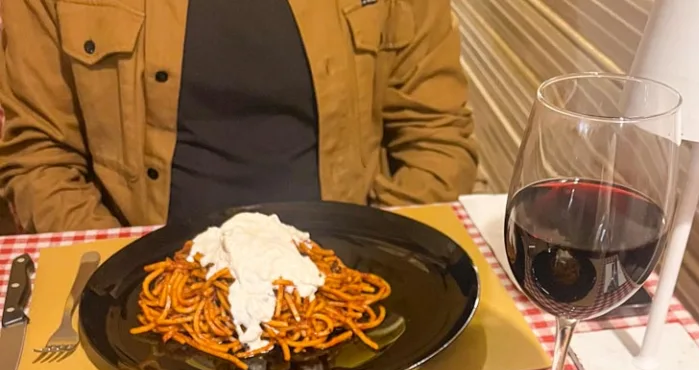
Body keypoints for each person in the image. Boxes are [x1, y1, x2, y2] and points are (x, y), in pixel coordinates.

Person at [0, 0, 478, 233]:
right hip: (140, 278)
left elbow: (437, 136)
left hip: (347, 270)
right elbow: (38, 156)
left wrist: (370, 259)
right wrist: (126, 276)